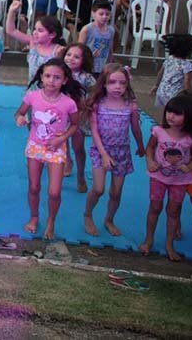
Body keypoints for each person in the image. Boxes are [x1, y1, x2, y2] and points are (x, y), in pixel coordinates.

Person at [15, 59, 83, 239]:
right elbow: (19, 113)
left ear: (65, 80)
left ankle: (51, 220)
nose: (51, 81)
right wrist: (20, 119)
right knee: (34, 186)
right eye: (47, 76)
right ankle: (34, 217)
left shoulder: (69, 103)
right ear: (41, 77)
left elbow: (75, 125)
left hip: (56, 149)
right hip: (35, 146)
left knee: (54, 191)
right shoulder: (32, 96)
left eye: (57, 77)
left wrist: (62, 138)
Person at [82, 64, 144, 238]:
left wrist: (140, 145)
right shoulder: (97, 104)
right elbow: (94, 131)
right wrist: (103, 154)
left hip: (122, 152)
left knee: (116, 192)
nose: (118, 87)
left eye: (122, 83)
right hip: (101, 150)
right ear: (104, 84)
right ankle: (87, 214)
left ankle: (109, 219)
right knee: (99, 188)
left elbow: (135, 128)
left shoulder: (130, 105)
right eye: (112, 82)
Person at [140, 92, 192, 261]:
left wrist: (189, 167)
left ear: (189, 116)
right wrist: (149, 161)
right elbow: (150, 148)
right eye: (169, 111)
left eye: (177, 113)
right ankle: (148, 240)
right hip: (158, 177)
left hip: (179, 180)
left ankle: (169, 244)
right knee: (155, 207)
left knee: (173, 211)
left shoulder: (191, 138)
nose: (171, 116)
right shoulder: (158, 131)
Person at [63, 43, 96, 193]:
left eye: (76, 57)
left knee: (78, 147)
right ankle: (67, 161)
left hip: (78, 117)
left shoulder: (86, 77)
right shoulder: (60, 72)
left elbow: (95, 92)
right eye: (69, 55)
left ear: (84, 60)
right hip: (61, 116)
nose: (71, 59)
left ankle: (81, 175)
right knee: (62, 144)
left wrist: (86, 104)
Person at [5, 2, 65, 82]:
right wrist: (11, 11)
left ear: (52, 35)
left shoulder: (59, 50)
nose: (35, 33)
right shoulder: (33, 43)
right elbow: (11, 30)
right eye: (35, 29)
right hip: (33, 89)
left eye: (40, 31)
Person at [151, 34, 192, 108]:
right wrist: (189, 95)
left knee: (166, 112)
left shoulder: (169, 59)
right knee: (175, 112)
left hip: (162, 92)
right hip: (174, 96)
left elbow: (160, 73)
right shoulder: (186, 65)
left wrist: (156, 85)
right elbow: (187, 81)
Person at [79, 1, 115, 74]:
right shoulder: (87, 29)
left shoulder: (111, 30)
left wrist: (110, 64)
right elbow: (79, 49)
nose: (104, 17)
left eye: (107, 14)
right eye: (101, 14)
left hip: (103, 67)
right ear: (93, 14)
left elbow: (110, 49)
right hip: (89, 66)